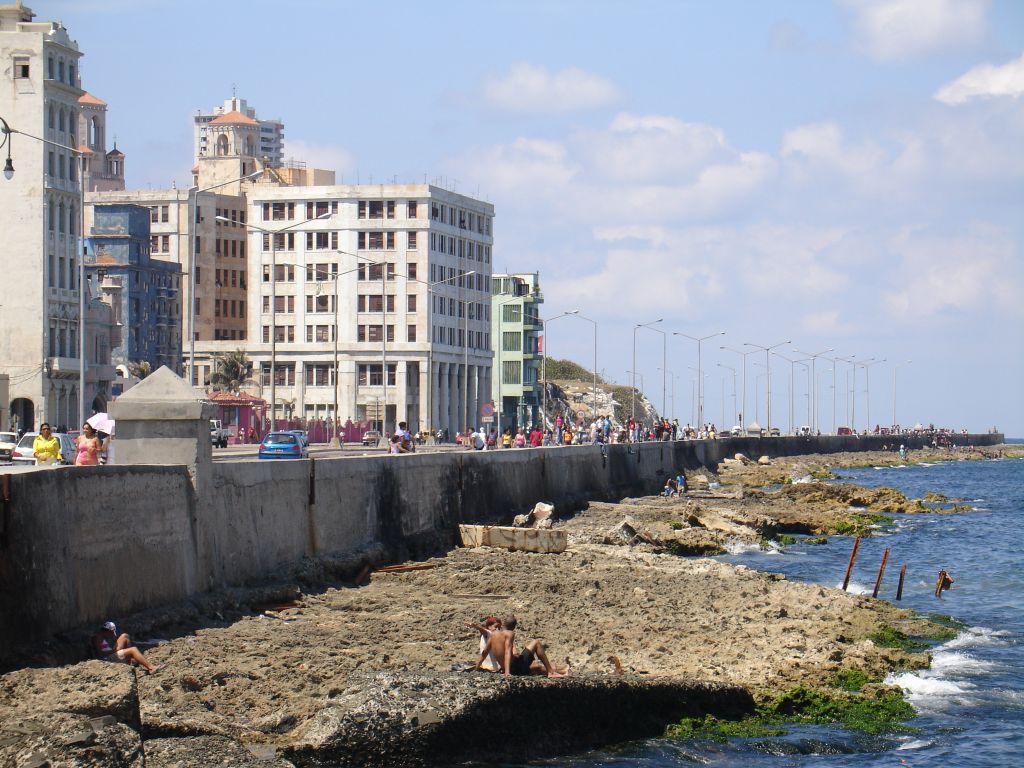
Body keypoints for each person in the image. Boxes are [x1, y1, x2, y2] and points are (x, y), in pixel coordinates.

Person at [478, 616, 567, 678]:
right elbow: (507, 651)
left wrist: (476, 667)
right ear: (513, 627)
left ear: (502, 625)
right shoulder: (509, 633)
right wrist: (507, 672)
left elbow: (484, 653)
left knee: (535, 666)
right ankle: (551, 672)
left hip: (509, 667)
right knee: (536, 643)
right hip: (515, 668)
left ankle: (562, 669)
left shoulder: (493, 635)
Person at [91, 621, 160, 674]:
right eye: (112, 632)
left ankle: (130, 660)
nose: (112, 635)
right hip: (108, 659)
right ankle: (151, 668)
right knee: (133, 650)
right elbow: (101, 654)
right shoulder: (97, 638)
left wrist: (114, 650)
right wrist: (113, 651)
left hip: (111, 655)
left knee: (124, 636)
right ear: (107, 631)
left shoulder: (103, 637)